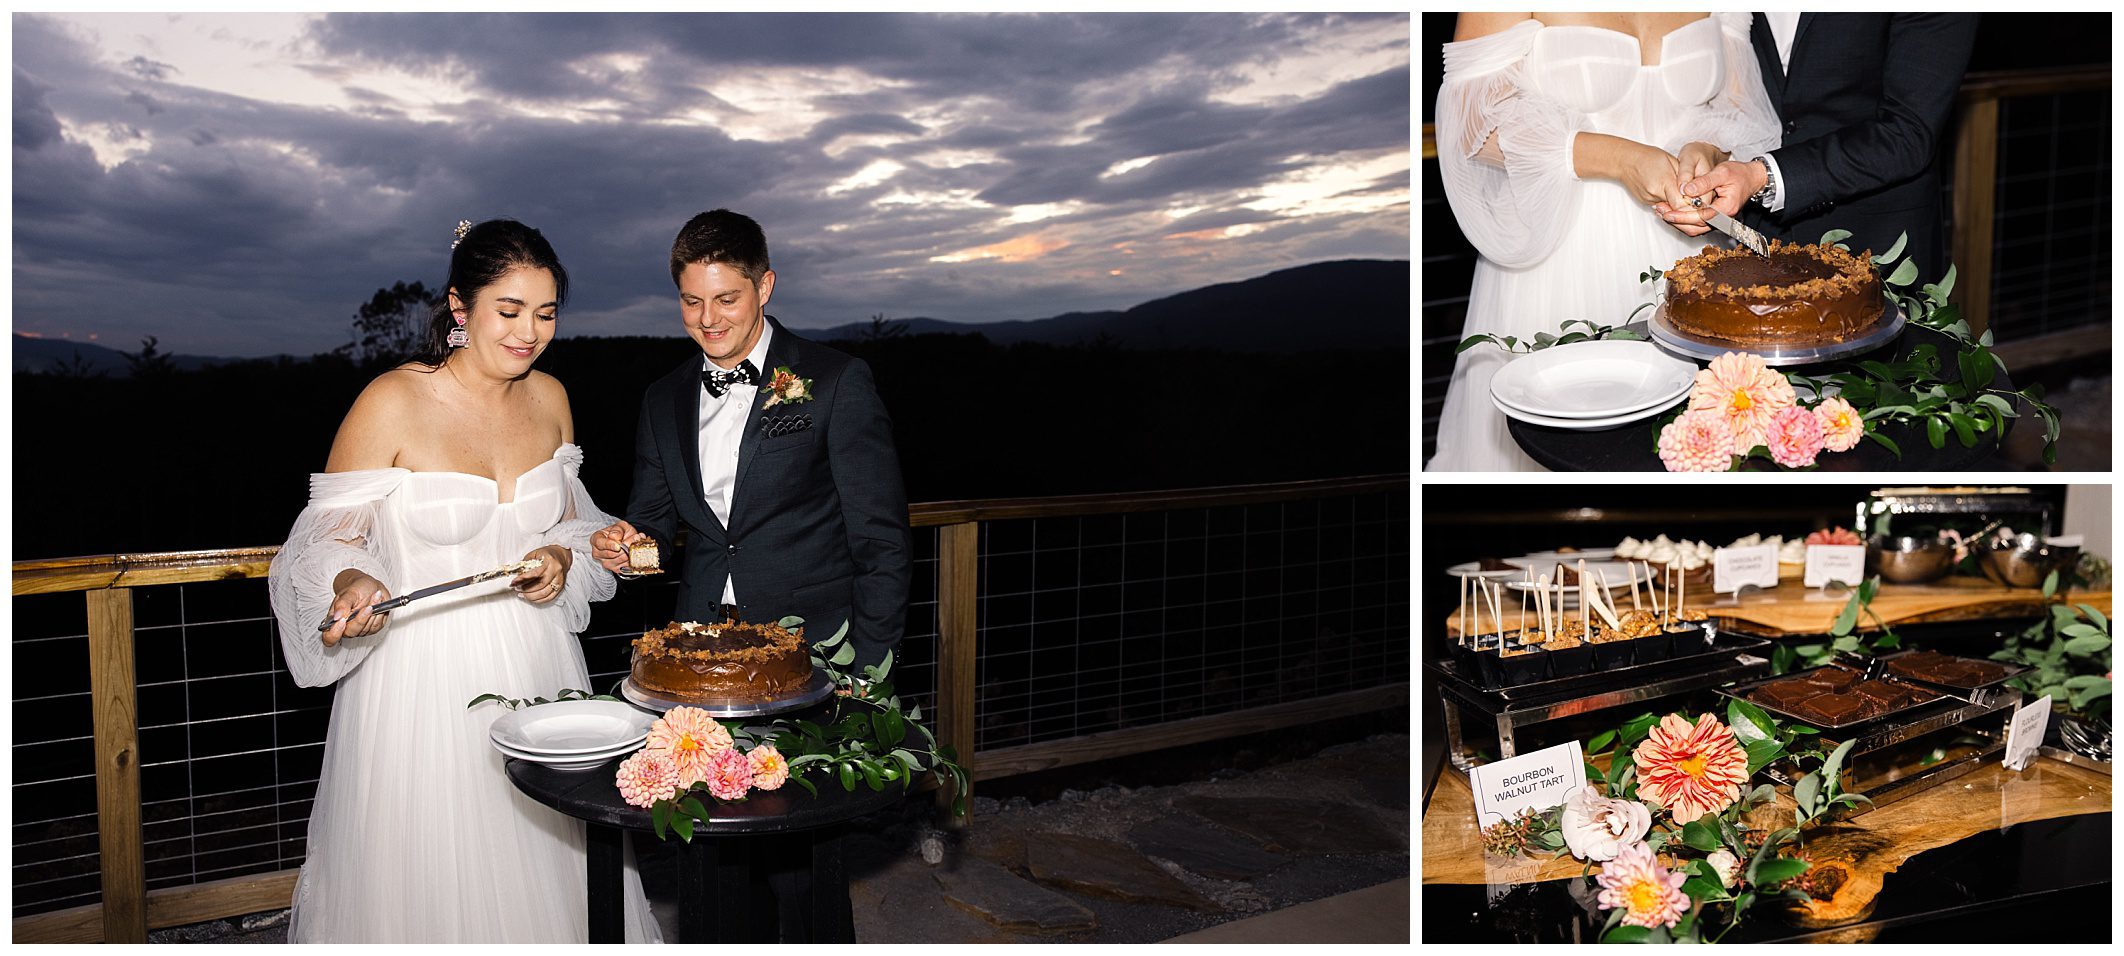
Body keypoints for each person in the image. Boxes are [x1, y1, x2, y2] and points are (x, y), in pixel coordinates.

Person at [267, 220, 660, 943]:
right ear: (460, 306)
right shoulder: (392, 399)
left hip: (538, 664)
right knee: (432, 874)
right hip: (420, 681)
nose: (529, 332)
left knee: (553, 864)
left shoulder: (552, 398)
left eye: (545, 313)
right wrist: (354, 578)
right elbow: (321, 542)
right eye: (508, 311)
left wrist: (567, 557)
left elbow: (569, 523)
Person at [1428, 12, 1781, 472]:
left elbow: (1742, 109)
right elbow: (1470, 125)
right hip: (1562, 257)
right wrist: (1618, 158)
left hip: (1693, 251)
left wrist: (1707, 149)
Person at [592, 208, 911, 672]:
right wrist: (626, 551)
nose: (707, 319)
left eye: (726, 299)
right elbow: (653, 526)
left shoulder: (836, 380)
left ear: (763, 288)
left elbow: (881, 543)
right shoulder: (662, 399)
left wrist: (868, 672)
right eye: (691, 300)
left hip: (817, 651)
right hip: (698, 648)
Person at [1660, 14, 1979, 287]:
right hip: (1754, 241)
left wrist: (1763, 175)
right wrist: (1711, 150)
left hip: (1879, 246)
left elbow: (1909, 131)